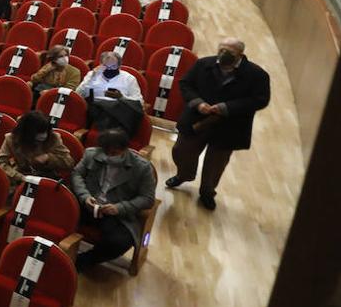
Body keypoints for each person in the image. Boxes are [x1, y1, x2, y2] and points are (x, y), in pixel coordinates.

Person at [166, 39, 270, 211]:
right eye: (221, 49)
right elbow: (186, 84)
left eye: (230, 51)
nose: (224, 53)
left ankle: (207, 191)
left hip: (229, 126)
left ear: (240, 55)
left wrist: (226, 108)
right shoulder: (203, 64)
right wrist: (198, 103)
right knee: (182, 150)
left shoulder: (257, 75)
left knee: (216, 163)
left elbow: (260, 100)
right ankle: (184, 175)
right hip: (197, 119)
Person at [70, 129, 157, 270]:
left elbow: (147, 198)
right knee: (59, 214)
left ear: (125, 149)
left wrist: (119, 208)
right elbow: (77, 174)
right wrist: (85, 196)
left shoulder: (142, 167)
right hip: (89, 204)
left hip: (116, 213)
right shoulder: (92, 154)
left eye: (114, 153)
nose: (109, 156)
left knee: (120, 242)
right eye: (106, 152)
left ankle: (81, 261)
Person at [0, 111, 74, 186]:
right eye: (39, 132)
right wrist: (20, 177)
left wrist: (49, 158)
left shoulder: (53, 138)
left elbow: (69, 163)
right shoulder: (12, 138)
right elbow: (0, 162)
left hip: (47, 178)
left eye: (45, 131)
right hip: (21, 177)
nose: (44, 136)